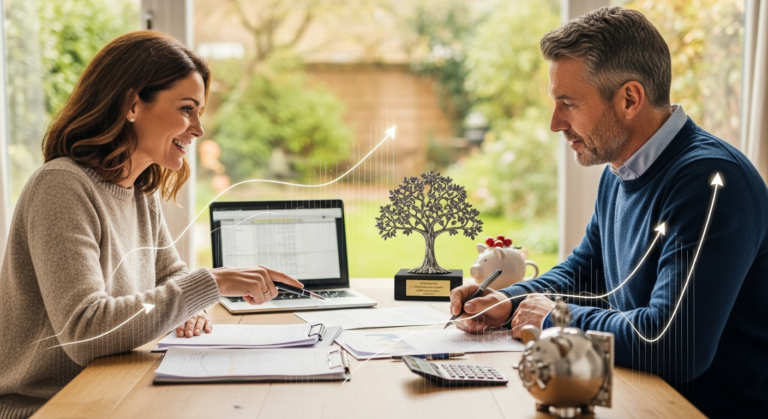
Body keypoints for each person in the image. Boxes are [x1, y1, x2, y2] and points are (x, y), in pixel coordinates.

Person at [449, 7, 768, 417]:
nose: (554, 123)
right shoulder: (621, 170)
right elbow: (585, 273)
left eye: (568, 103)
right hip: (637, 398)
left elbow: (673, 345)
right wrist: (507, 301)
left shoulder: (710, 183)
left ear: (630, 99)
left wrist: (555, 318)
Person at [0, 31, 303, 418]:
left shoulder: (140, 190)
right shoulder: (61, 187)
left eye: (199, 112)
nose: (198, 129)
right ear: (131, 104)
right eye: (186, 109)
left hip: (111, 392)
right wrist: (212, 284)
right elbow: (86, 330)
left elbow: (169, 276)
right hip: (49, 407)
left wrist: (189, 304)